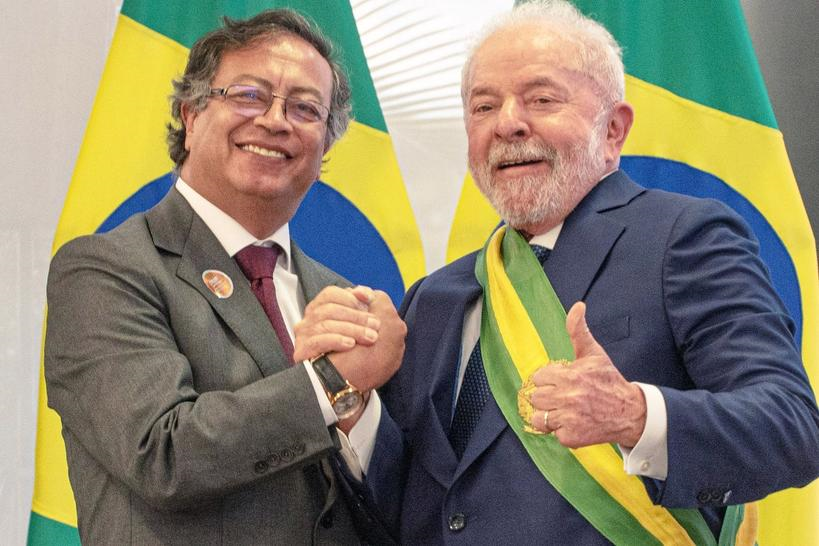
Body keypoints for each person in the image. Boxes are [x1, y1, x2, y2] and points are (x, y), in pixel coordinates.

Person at [295, 1, 819, 544]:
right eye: (483, 107)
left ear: (613, 129)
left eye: (542, 99)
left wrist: (634, 415)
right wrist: (352, 402)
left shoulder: (683, 237)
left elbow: (792, 429)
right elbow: (412, 501)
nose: (508, 123)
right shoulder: (434, 297)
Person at [44, 9, 404, 545]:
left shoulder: (342, 299)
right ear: (191, 115)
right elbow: (161, 454)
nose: (276, 121)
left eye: (305, 108)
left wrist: (357, 409)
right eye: (249, 95)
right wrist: (332, 382)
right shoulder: (105, 269)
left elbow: (396, 503)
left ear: (325, 147)